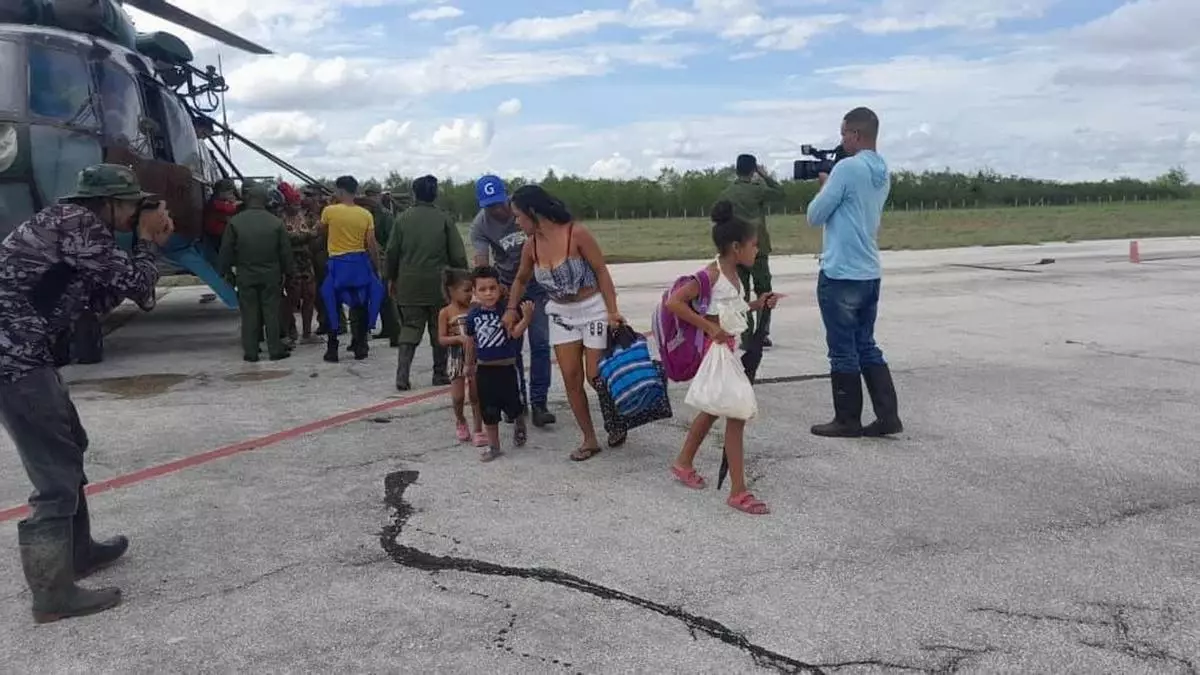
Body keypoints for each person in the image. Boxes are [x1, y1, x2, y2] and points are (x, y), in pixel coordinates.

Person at [0, 163, 173, 623]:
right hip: (15, 360)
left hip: (29, 356)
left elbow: (103, 299)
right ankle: (53, 595)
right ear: (110, 203)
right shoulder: (78, 226)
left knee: (70, 446)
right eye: (134, 205)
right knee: (55, 478)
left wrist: (138, 251)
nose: (138, 211)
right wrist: (148, 242)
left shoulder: (74, 230)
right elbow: (139, 285)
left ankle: (79, 553)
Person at [664, 201, 779, 515]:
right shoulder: (711, 274)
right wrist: (708, 328)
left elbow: (731, 310)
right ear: (735, 247)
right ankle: (738, 491)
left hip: (727, 350)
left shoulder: (732, 274)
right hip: (717, 353)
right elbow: (676, 303)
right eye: (755, 245)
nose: (758, 250)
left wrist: (758, 304)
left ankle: (683, 462)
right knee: (737, 414)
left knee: (713, 409)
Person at [505, 184, 624, 461]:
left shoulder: (576, 233)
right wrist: (511, 308)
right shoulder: (530, 245)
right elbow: (521, 278)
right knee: (571, 377)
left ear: (533, 213)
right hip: (561, 313)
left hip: (592, 308)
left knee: (596, 375)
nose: (516, 221)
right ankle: (590, 439)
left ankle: (616, 417)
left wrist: (612, 310)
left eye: (518, 216)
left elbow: (600, 271)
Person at [805, 106, 903, 438]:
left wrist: (825, 183)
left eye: (844, 132)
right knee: (866, 344)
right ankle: (887, 415)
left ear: (856, 134)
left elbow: (815, 215)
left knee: (842, 349)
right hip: (869, 270)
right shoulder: (882, 169)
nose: (841, 139)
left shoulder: (846, 169)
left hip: (841, 271)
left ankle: (847, 419)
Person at [469, 175, 556, 428]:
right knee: (511, 347)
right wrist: (486, 293)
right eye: (490, 206)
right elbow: (482, 262)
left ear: (506, 196)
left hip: (537, 286)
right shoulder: (480, 226)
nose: (497, 210)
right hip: (509, 288)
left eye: (500, 203)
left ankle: (539, 402)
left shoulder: (523, 211)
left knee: (540, 344)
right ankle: (516, 401)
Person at [385, 175, 469, 390]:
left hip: (409, 285)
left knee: (410, 328)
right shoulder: (444, 219)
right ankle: (439, 373)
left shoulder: (402, 219)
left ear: (414, 194)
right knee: (438, 327)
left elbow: (392, 253)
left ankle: (402, 376)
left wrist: (391, 278)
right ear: (435, 194)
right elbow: (458, 256)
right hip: (438, 286)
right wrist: (463, 281)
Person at [219, 182, 295, 362]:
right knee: (271, 311)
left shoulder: (235, 222)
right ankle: (275, 349)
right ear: (264, 199)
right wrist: (288, 272)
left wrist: (225, 271)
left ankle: (251, 351)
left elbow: (226, 250)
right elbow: (285, 252)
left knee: (249, 312)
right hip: (271, 274)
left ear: (247, 198)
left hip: (246, 274)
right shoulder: (276, 223)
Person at [465, 266, 534, 462]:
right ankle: (494, 446)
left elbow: (514, 333)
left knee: (512, 404)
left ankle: (519, 420)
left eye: (492, 288)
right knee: (488, 409)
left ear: (499, 288)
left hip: (506, 368)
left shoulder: (505, 311)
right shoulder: (473, 316)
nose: (488, 293)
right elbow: (470, 341)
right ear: (474, 292)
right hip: (484, 369)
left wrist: (526, 319)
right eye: (483, 289)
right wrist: (469, 363)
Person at [718, 153, 784, 348]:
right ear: (753, 169)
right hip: (758, 247)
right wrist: (764, 176)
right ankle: (762, 333)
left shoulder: (727, 193)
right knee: (764, 291)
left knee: (741, 294)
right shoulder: (758, 190)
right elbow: (781, 193)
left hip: (736, 250)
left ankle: (747, 337)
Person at [319, 175, 385, 362]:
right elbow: (371, 244)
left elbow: (321, 232)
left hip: (336, 264)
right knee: (361, 305)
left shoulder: (329, 211)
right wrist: (376, 267)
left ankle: (332, 349)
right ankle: (360, 345)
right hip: (359, 264)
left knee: (331, 303)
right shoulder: (365, 214)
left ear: (340, 191)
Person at [437, 268, 485, 446]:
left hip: (476, 354)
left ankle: (479, 429)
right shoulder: (446, 312)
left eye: (472, 290)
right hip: (457, 356)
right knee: (458, 396)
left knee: (476, 394)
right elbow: (441, 339)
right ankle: (460, 419)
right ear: (451, 290)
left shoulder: (476, 308)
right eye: (466, 290)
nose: (470, 294)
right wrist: (457, 338)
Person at [361, 183, 400, 346]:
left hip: (382, 258)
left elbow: (391, 241)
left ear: (378, 196)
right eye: (368, 195)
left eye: (373, 195)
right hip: (367, 258)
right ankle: (386, 329)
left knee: (387, 297)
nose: (371, 198)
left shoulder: (385, 215)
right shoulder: (365, 213)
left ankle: (395, 334)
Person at [281, 199, 317, 343]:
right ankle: (291, 330)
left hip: (306, 261)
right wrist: (309, 235)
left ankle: (307, 333)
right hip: (291, 262)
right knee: (293, 297)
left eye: (297, 204)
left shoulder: (302, 216)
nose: (296, 207)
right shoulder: (280, 219)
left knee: (310, 295)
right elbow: (290, 238)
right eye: (293, 204)